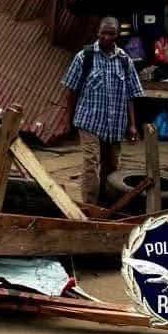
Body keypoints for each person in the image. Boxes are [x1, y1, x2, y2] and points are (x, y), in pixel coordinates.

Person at [62, 17, 144, 205]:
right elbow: (70, 91)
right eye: (103, 33)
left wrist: (132, 125)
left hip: (115, 126)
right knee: (91, 163)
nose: (106, 37)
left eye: (111, 34)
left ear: (117, 35)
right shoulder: (84, 57)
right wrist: (70, 120)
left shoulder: (124, 60)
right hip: (89, 122)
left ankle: (107, 206)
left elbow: (131, 95)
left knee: (112, 167)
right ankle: (90, 206)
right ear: (97, 33)